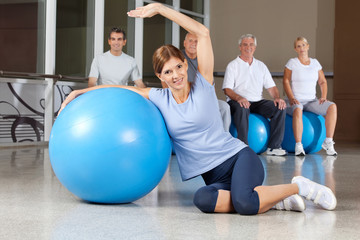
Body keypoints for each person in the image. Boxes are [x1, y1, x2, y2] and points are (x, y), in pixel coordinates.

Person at [59, 3, 337, 214]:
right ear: (161, 77)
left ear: (184, 65)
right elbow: (121, 89)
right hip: (213, 177)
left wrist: (160, 9)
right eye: (168, 72)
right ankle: (273, 198)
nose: (176, 74)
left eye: (179, 66)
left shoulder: (203, 84)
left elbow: (202, 33)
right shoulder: (158, 97)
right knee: (202, 199)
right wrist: (82, 91)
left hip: (240, 160)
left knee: (243, 203)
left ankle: (299, 185)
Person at [223, 34, 287, 156]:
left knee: (280, 108)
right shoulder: (233, 65)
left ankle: (274, 147)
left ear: (255, 47)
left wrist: (277, 98)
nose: (248, 47)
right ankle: (243, 147)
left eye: (251, 44)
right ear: (240, 47)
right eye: (245, 44)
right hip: (236, 101)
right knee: (243, 107)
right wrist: (239, 98)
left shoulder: (261, 66)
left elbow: (271, 87)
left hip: (257, 101)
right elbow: (227, 89)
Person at [161, 32, 231, 132]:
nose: (193, 44)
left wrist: (211, 100)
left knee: (224, 107)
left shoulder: (203, 60)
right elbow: (165, 80)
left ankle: (224, 139)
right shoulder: (176, 58)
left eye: (196, 41)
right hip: (184, 101)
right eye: (190, 41)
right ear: (184, 43)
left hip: (202, 100)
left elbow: (210, 83)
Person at [283, 37, 338, 156]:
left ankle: (328, 142)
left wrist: (323, 96)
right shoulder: (292, 62)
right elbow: (286, 81)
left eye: (303, 45)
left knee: (332, 107)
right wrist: (292, 97)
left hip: (311, 101)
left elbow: (322, 82)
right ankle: (298, 145)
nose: (301, 48)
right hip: (295, 100)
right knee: (298, 109)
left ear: (308, 46)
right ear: (295, 49)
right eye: (298, 46)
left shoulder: (315, 63)